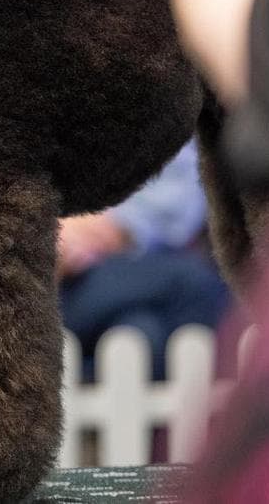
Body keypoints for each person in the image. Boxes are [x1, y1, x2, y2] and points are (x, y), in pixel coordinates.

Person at [57, 140, 231, 380]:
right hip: (35, 282)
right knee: (196, 286)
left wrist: (105, 228)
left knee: (144, 332)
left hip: (110, 267)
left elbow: (178, 188)